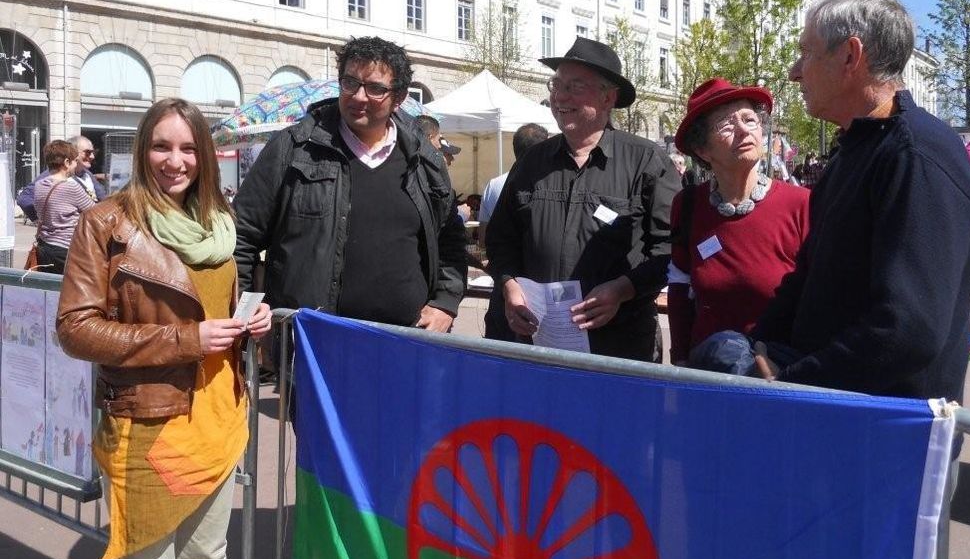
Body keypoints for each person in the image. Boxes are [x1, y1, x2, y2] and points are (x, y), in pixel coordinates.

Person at [56, 98, 272, 559]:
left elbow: (215, 307)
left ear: (205, 157)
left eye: (189, 148)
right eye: (161, 147)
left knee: (206, 557)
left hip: (218, 416)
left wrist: (250, 317)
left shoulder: (217, 223)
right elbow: (75, 329)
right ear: (142, 151)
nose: (176, 161)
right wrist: (186, 340)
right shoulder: (106, 223)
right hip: (149, 424)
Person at [746, 0, 970, 404]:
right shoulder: (857, 148)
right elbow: (809, 276)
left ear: (850, 57)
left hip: (886, 437)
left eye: (806, 52)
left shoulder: (916, 155)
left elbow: (907, 329)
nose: (794, 72)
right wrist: (759, 346)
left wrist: (793, 383)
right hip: (841, 418)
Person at [233, 36, 466, 331]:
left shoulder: (424, 157)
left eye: (375, 88)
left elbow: (450, 239)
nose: (358, 96)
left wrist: (445, 303)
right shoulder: (293, 148)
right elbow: (241, 237)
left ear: (400, 96)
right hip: (313, 343)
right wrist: (246, 312)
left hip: (407, 342)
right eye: (350, 83)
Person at [485, 37, 680, 361]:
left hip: (619, 349)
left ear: (608, 98)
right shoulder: (532, 162)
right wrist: (509, 286)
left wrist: (623, 289)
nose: (559, 97)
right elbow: (501, 239)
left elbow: (669, 249)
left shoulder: (646, 162)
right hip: (537, 345)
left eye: (575, 87)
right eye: (556, 85)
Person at [667, 79, 809, 367]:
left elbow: (820, 298)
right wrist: (679, 362)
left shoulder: (802, 204)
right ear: (703, 150)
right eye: (727, 125)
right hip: (706, 376)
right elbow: (679, 289)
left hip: (779, 377)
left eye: (750, 119)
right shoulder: (688, 205)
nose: (744, 130)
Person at [477, 123, 550, 342]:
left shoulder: (495, 184)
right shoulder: (549, 182)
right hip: (538, 290)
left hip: (505, 285)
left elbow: (483, 238)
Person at [32, 140, 96, 274]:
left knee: (50, 289)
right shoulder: (71, 186)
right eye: (74, 161)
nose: (75, 165)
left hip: (44, 247)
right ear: (67, 162)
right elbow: (94, 212)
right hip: (66, 249)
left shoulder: (39, 185)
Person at [70, 135, 108, 202]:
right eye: (88, 153)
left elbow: (102, 197)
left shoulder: (87, 173)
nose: (92, 156)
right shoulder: (57, 177)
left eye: (92, 152)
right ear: (72, 152)